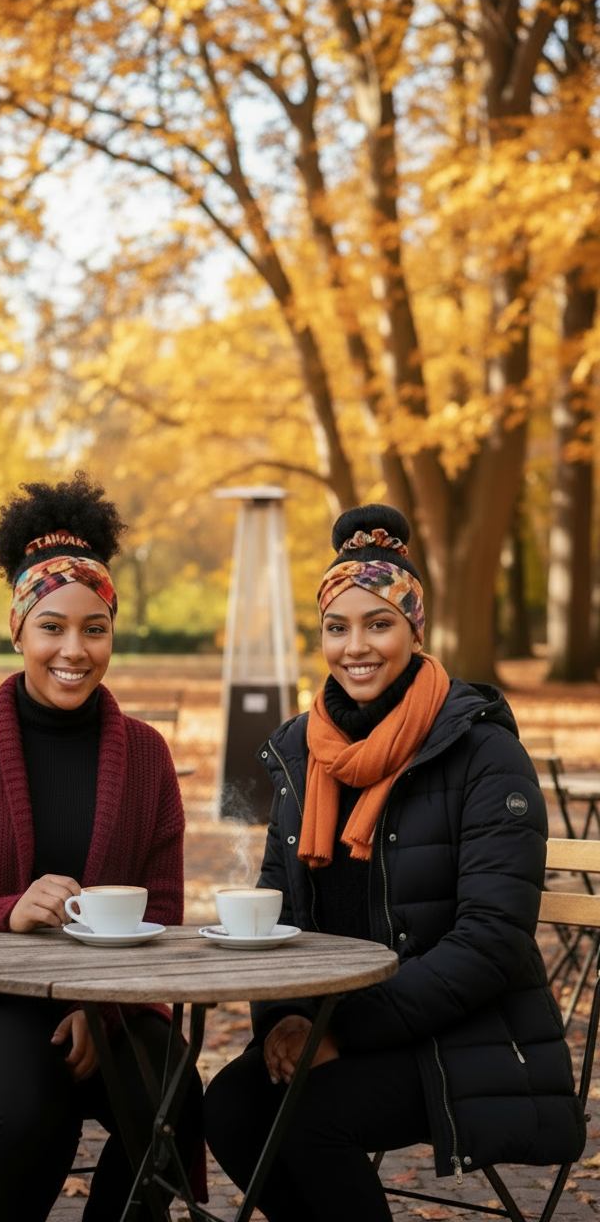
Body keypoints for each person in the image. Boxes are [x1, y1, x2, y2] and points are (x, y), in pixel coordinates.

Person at [204, 503, 585, 1221]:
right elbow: (276, 908)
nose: (357, 647)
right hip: (340, 1025)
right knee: (226, 1109)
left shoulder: (482, 751)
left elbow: (492, 942)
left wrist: (340, 1032)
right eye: (337, 627)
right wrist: (287, 1020)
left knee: (310, 1123)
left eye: (379, 623)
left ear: (416, 628)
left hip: (468, 1035)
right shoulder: (300, 749)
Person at [0, 474, 203, 1222]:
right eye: (53, 626)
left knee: (176, 1100)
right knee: (36, 1108)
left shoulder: (149, 756)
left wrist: (100, 1009)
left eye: (95, 628)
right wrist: (8, 911)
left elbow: (161, 910)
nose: (74, 649)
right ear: (18, 629)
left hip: (114, 1005)